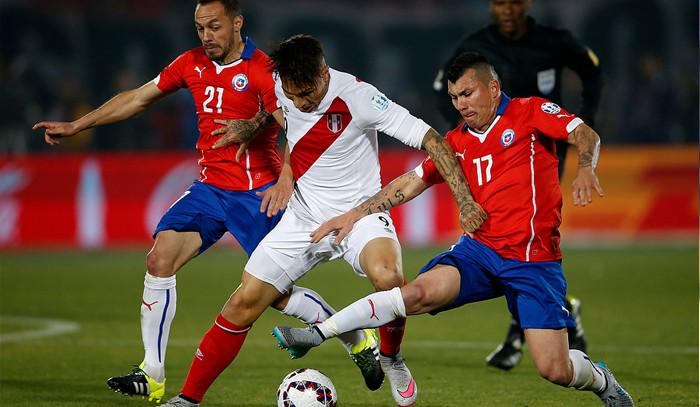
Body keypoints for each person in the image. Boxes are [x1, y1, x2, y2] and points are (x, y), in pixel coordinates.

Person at [32, 0, 384, 402]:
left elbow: (300, 127)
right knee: (159, 259)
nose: (206, 36)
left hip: (257, 194)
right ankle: (151, 372)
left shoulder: (264, 71)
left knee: (276, 295)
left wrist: (286, 177)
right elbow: (138, 98)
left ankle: (357, 338)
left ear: (237, 23)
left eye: (214, 26)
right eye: (200, 27)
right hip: (210, 190)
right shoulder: (190, 64)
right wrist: (78, 125)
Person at [274, 52, 634, 407]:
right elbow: (411, 182)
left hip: (533, 261)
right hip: (480, 253)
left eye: (468, 93)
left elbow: (585, 135)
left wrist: (585, 168)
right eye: (454, 97)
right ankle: (319, 333)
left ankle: (602, 381)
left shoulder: (530, 112)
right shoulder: (457, 142)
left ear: (493, 88)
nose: (461, 104)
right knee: (415, 294)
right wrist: (354, 214)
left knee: (555, 369)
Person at [160, 35, 485, 407]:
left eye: (307, 94)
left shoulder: (360, 97)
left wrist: (464, 201)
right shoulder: (282, 85)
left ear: (324, 72)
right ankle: (188, 399)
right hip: (303, 218)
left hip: (360, 215)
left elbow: (434, 141)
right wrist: (255, 128)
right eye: (293, 94)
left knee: (389, 278)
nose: (300, 103)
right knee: (242, 303)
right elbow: (279, 113)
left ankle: (391, 357)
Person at [432, 0, 603, 371]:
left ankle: (531, 324)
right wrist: (468, 135)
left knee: (523, 239)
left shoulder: (553, 40)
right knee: (500, 238)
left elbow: (591, 69)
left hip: (539, 146)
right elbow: (440, 87)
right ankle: (534, 323)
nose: (506, 10)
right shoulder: (475, 44)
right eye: (499, 3)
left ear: (526, 4)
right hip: (489, 153)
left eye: (513, 2)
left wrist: (585, 117)